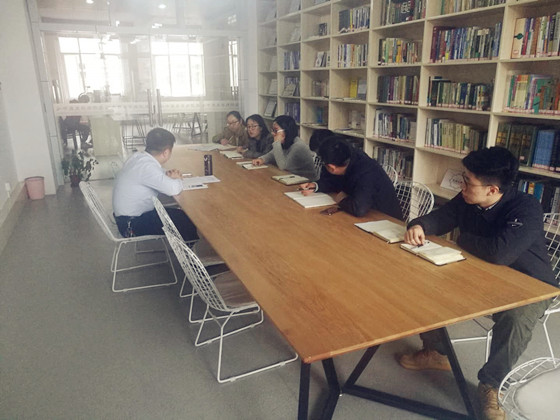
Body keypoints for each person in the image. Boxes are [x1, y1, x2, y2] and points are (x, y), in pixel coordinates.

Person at [397, 147, 556, 420]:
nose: (462, 185)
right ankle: (435, 351)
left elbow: (500, 253)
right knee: (425, 281)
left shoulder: (526, 207)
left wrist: (462, 238)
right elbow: (442, 217)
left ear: (492, 190)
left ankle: (492, 384)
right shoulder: (468, 198)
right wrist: (419, 224)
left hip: (531, 283)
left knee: (516, 317)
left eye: (468, 181)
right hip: (481, 270)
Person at [112, 128, 198, 241]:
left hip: (127, 218)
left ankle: (187, 246)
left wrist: (169, 175)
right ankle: (188, 251)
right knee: (187, 222)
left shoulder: (138, 157)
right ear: (166, 152)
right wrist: (178, 179)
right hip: (131, 225)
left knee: (181, 216)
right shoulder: (147, 167)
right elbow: (173, 189)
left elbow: (157, 174)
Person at [299, 136, 403, 219]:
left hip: (384, 220)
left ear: (331, 167)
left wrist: (341, 199)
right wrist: (316, 186)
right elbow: (332, 182)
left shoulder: (365, 171)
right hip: (364, 215)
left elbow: (358, 209)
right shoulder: (347, 158)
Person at [252, 115, 316, 180]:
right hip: (292, 177)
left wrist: (277, 143)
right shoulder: (286, 142)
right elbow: (272, 154)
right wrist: (262, 159)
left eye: (275, 130)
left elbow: (283, 167)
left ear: (286, 131)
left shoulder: (298, 146)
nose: (273, 133)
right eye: (272, 130)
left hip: (306, 181)